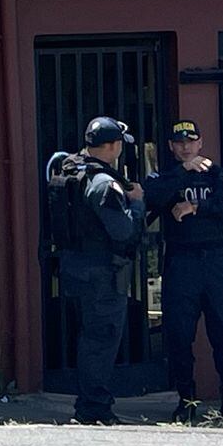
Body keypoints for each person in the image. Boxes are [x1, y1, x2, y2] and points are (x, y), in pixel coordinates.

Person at [145, 119, 223, 425]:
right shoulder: (165, 177)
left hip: (215, 261)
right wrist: (183, 172)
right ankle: (186, 400)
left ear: (200, 143)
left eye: (190, 142)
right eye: (179, 143)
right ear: (170, 147)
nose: (185, 147)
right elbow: (151, 196)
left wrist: (196, 208)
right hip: (181, 262)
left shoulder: (218, 175)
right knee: (179, 334)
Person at [57, 116, 146, 426]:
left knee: (89, 338)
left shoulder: (73, 169)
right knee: (102, 338)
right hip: (101, 272)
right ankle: (94, 408)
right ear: (114, 146)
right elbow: (123, 232)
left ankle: (90, 403)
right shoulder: (105, 184)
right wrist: (136, 204)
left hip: (76, 268)